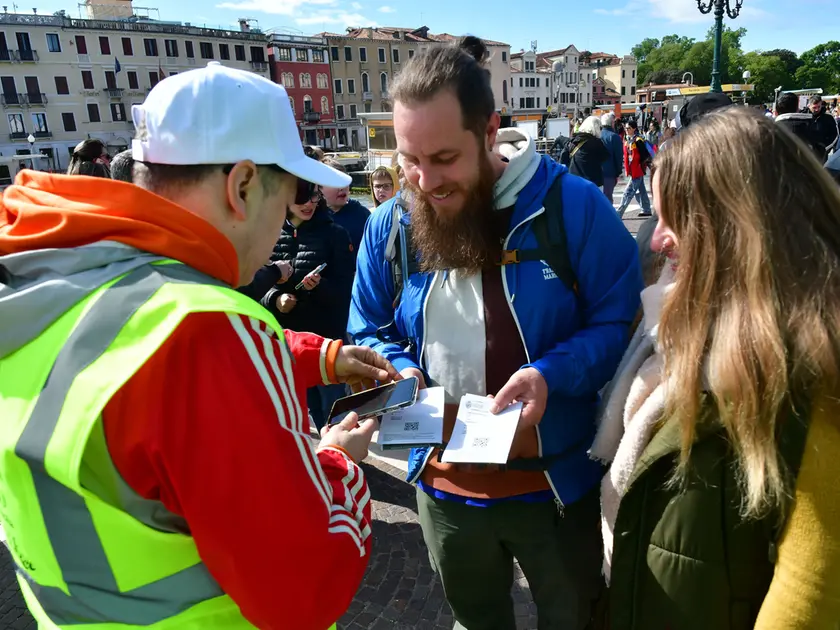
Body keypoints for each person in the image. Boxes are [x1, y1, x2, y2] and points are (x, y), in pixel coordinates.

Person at [0, 62, 400, 630]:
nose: (288, 215)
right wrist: (336, 461)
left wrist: (322, 357)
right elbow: (303, 586)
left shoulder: (50, 272)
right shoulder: (207, 330)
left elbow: (131, 360)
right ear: (241, 186)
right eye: (291, 193)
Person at [349, 36, 642, 630]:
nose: (424, 180)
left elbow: (619, 322)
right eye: (409, 159)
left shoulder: (575, 207)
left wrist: (551, 374)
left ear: (489, 132)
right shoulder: (390, 222)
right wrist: (396, 369)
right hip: (443, 485)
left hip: (555, 486)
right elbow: (367, 326)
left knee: (576, 617)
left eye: (444, 158)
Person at [592, 107, 840, 630]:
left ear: (738, 228)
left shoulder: (814, 375)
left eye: (673, 220)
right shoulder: (681, 324)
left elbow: (808, 595)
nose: (657, 239)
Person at [262, 159, 356, 430]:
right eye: (300, 197)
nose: (308, 204)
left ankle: (344, 459)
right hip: (288, 340)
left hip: (326, 339)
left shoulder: (335, 233)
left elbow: (347, 287)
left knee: (334, 409)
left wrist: (320, 286)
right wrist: (275, 299)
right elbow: (255, 283)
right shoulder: (269, 233)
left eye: (313, 196)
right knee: (306, 407)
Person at [320, 158, 371, 254]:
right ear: (319, 187)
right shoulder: (313, 216)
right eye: (335, 182)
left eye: (344, 181)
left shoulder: (362, 215)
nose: (342, 187)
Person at [559, 115, 609, 188]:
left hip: (574, 181)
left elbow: (564, 157)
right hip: (593, 183)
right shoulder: (596, 143)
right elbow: (605, 157)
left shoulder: (574, 141)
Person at [616, 119, 652, 218]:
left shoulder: (638, 140)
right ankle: (646, 209)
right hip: (634, 170)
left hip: (637, 170)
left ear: (634, 129)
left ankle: (619, 213)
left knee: (628, 192)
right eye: (626, 128)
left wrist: (642, 166)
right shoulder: (629, 140)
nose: (627, 130)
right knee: (641, 190)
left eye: (629, 128)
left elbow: (645, 156)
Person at [775, 92, 825, 159]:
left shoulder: (769, 129)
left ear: (776, 112)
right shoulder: (811, 127)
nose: (817, 109)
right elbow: (821, 152)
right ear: (797, 107)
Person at [600, 113, 624, 201]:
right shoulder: (614, 137)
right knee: (608, 198)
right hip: (610, 172)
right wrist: (618, 171)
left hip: (597, 172)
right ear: (612, 123)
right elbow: (618, 157)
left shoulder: (597, 135)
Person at [809, 95, 839, 162]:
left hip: (822, 153)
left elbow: (835, 135)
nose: (817, 109)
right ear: (809, 105)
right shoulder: (804, 117)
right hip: (806, 152)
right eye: (814, 107)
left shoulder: (828, 118)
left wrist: (825, 148)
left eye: (819, 107)